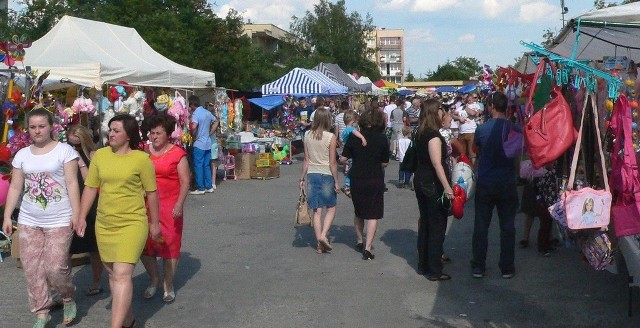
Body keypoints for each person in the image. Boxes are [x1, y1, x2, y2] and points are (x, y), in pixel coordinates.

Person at [75, 114, 160, 328]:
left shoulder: (141, 159)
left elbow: (152, 193)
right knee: (113, 275)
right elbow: (91, 188)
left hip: (132, 223)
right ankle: (128, 319)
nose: (111, 134)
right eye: (110, 130)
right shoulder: (101, 156)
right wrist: (81, 217)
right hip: (105, 224)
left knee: (122, 274)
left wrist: (155, 223)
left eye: (116, 130)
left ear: (129, 135)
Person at [2, 108, 80, 327]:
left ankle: (67, 297)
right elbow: (16, 186)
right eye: (33, 127)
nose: (37, 131)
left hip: (60, 218)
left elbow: (73, 183)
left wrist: (77, 214)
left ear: (51, 127)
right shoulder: (22, 155)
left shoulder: (65, 151)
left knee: (55, 267)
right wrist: (8, 216)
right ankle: (41, 311)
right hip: (29, 219)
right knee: (33, 268)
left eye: (41, 126)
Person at [141, 115, 190, 303]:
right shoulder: (145, 152)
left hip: (170, 206)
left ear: (168, 134)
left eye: (158, 133)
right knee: (146, 245)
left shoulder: (178, 153)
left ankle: (168, 284)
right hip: (147, 205)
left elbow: (185, 181)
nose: (154, 137)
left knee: (170, 245)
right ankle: (154, 278)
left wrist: (179, 203)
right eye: (152, 133)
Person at [470, 92, 519, 279]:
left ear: (491, 106)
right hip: (507, 181)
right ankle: (507, 266)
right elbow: (516, 157)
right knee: (507, 226)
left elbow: (475, 150)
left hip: (486, 181)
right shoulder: (514, 129)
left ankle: (478, 266)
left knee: (481, 225)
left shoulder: (482, 129)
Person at [412, 99, 454, 281]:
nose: (443, 113)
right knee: (437, 225)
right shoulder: (434, 136)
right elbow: (437, 163)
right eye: (440, 110)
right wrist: (447, 187)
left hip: (421, 179)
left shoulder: (420, 133)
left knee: (426, 223)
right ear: (434, 112)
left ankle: (424, 264)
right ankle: (434, 269)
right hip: (432, 183)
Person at [342, 109, 389, 260]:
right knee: (373, 214)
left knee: (359, 212)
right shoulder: (382, 139)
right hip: (375, 178)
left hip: (357, 178)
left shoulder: (354, 138)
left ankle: (359, 240)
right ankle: (368, 248)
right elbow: (385, 163)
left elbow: (344, 158)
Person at [67, 125, 104, 296]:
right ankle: (65, 286)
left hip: (90, 204)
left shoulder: (94, 155)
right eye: (71, 144)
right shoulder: (65, 155)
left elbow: (91, 181)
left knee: (93, 247)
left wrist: (81, 161)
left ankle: (96, 281)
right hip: (69, 204)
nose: (74, 148)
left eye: (77, 145)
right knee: (66, 248)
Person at [299, 107, 340, 254]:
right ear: (328, 120)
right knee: (331, 207)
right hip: (326, 174)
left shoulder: (307, 135)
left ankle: (319, 244)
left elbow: (306, 159)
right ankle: (323, 235)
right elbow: (333, 162)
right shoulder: (330, 137)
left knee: (316, 210)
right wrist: (336, 181)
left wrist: (302, 177)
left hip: (312, 174)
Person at [188, 95, 216, 195]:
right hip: (207, 143)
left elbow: (194, 126)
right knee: (206, 165)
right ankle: (209, 186)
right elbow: (216, 121)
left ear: (192, 104)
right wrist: (210, 132)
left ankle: (201, 188)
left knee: (198, 165)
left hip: (199, 143)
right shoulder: (207, 112)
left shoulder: (196, 114)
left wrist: (192, 133)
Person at [338, 110, 367, 198]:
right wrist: (363, 138)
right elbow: (355, 132)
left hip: (345, 151)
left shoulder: (344, 130)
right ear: (353, 121)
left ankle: (349, 184)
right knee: (351, 170)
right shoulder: (350, 129)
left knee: (350, 169)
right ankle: (347, 185)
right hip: (350, 153)